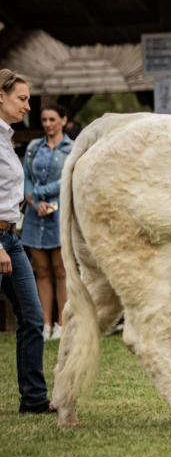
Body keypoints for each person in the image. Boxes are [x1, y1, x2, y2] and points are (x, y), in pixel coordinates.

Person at [0, 70, 52, 413]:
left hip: (11, 236)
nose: (28, 105)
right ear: (0, 97)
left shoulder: (7, 137)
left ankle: (33, 398)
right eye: (22, 98)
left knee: (32, 318)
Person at [21, 102, 74, 341]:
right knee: (41, 270)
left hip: (59, 213)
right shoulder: (33, 147)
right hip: (35, 214)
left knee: (61, 270)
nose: (48, 124)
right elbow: (24, 178)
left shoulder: (72, 148)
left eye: (52, 119)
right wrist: (34, 202)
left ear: (63, 120)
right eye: (44, 120)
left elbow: (68, 179)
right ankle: (46, 323)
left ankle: (63, 323)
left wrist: (41, 194)